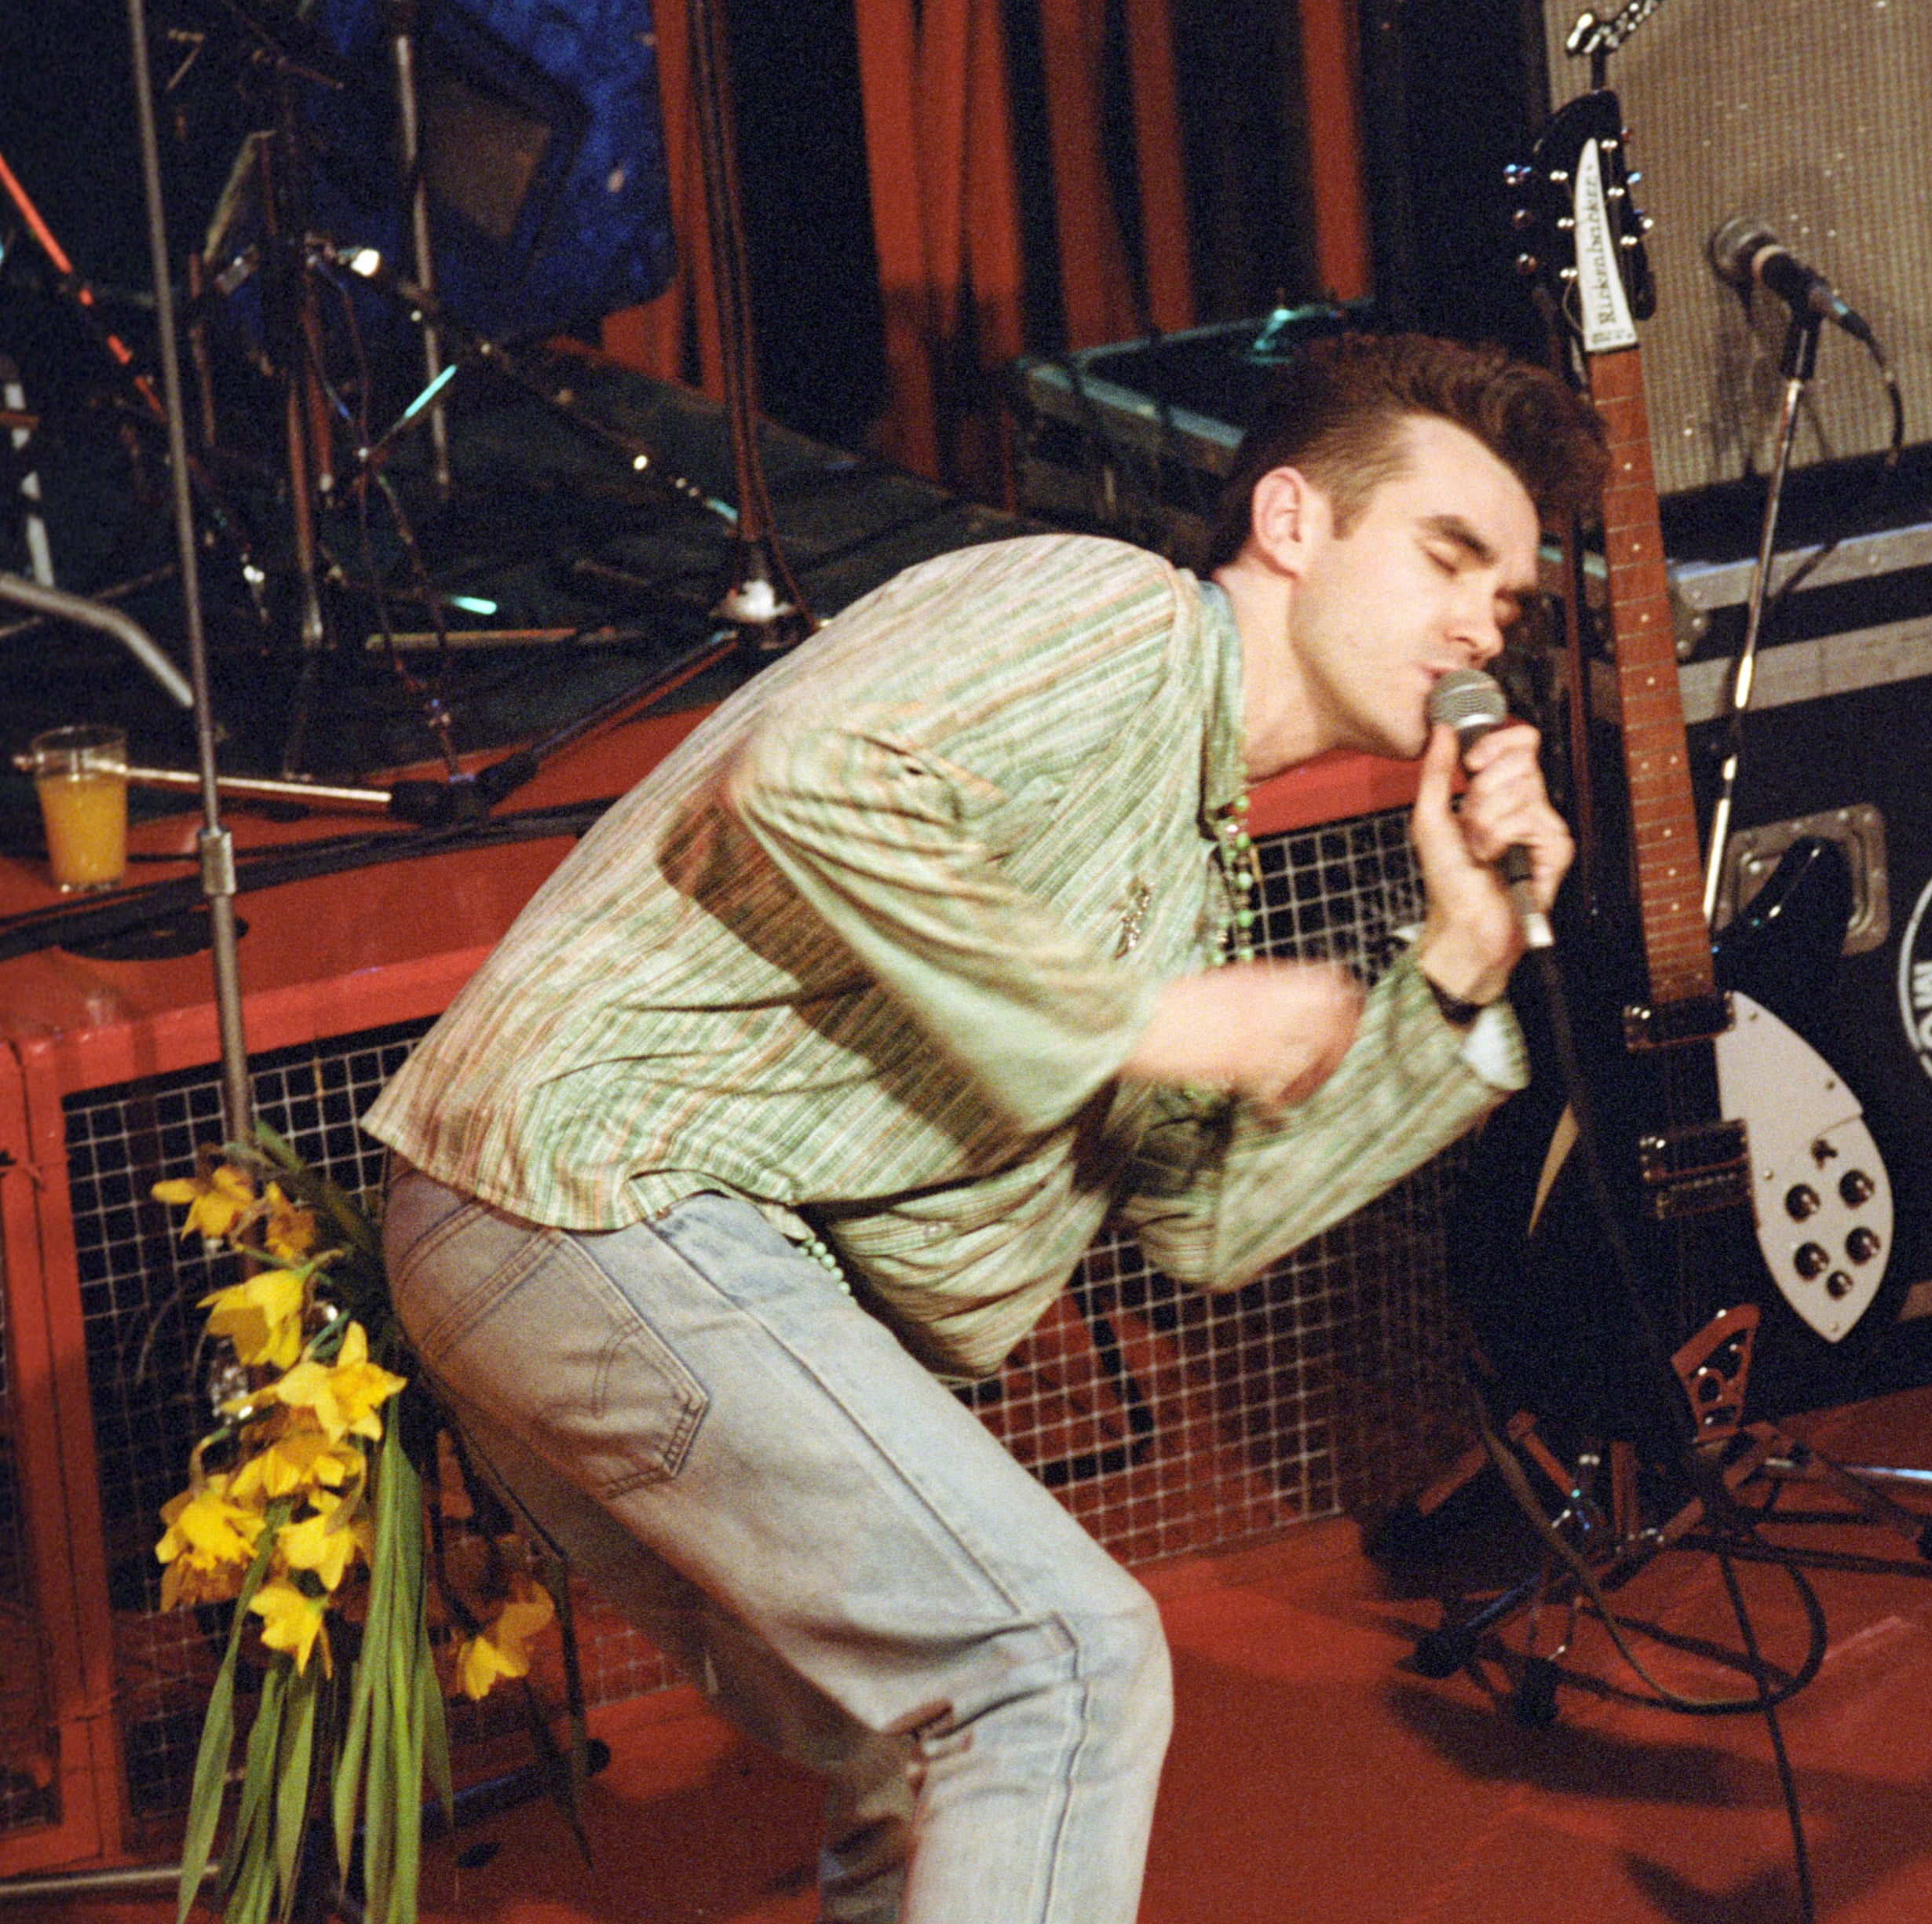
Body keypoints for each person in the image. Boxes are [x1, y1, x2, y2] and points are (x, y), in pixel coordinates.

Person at [369, 331, 1606, 1924]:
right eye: (1447, 557)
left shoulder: (1189, 846)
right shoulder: (1112, 619)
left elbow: (1209, 1226)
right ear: (1292, 524)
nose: (1474, 631)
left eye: (1502, 603)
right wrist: (1141, 1023)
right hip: (593, 1192)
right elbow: (808, 776)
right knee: (1056, 1664)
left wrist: (1456, 962)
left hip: (581, 1247)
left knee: (926, 1748)